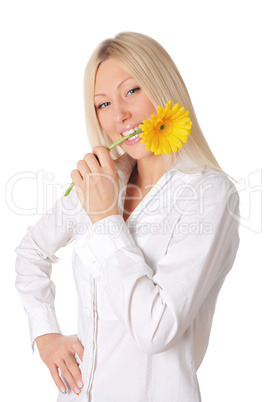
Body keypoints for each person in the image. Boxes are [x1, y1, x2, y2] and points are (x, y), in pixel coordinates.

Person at [15, 32, 240, 402]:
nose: (118, 115)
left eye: (132, 91)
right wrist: (46, 335)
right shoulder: (102, 182)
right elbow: (31, 251)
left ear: (164, 88)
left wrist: (105, 220)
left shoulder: (209, 194)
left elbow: (157, 330)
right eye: (102, 104)